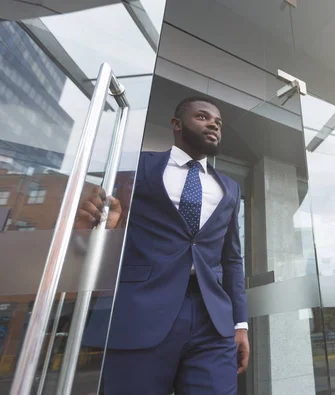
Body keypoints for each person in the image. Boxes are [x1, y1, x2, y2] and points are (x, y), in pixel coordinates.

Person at [78, 97, 249, 394]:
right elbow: (108, 229)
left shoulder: (230, 188)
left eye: (218, 122)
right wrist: (105, 228)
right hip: (141, 311)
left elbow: (232, 258)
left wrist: (240, 323)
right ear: (176, 124)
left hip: (213, 320)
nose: (213, 124)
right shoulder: (137, 167)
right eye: (202, 116)